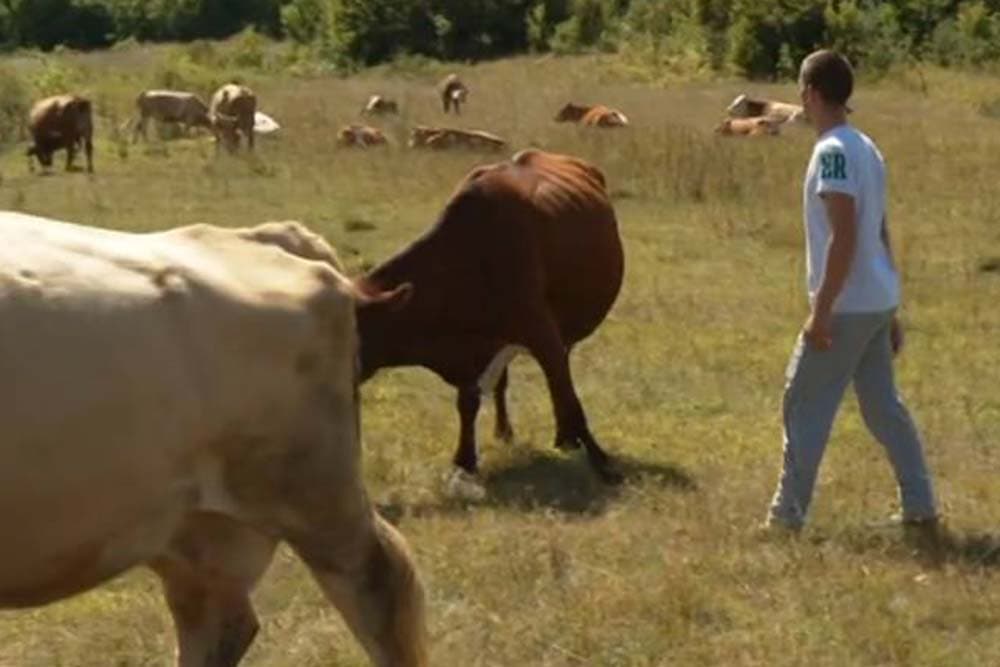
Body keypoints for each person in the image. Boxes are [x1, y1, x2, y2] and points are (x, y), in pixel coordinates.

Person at [765, 49, 938, 534]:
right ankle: (920, 505)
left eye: (802, 91)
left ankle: (785, 516)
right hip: (875, 301)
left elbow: (845, 232)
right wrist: (892, 305)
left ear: (812, 94)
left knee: (802, 402)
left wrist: (821, 311)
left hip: (847, 306)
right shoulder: (866, 146)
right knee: (884, 408)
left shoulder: (833, 152)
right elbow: (877, 229)